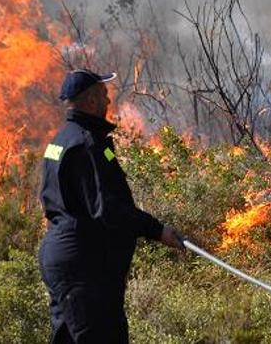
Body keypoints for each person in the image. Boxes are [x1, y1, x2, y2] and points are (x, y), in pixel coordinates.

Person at [38, 68, 183, 344]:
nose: (108, 101)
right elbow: (109, 209)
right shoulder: (87, 144)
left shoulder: (60, 141)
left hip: (64, 259)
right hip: (83, 266)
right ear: (90, 100)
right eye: (103, 95)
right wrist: (157, 230)